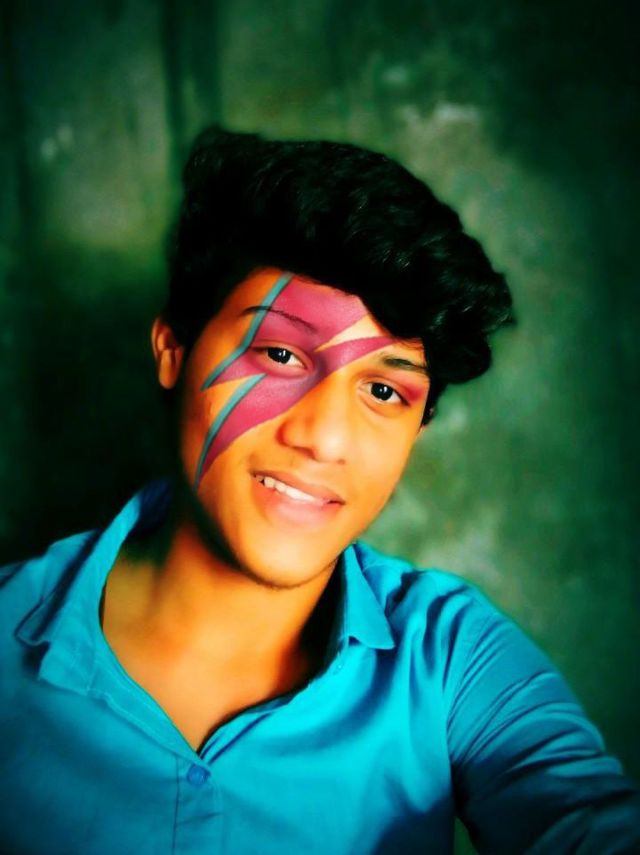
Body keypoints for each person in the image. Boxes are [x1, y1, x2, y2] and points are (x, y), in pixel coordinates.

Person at [1, 127, 638, 855]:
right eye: (279, 353)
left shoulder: (451, 658)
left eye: (384, 391)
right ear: (173, 348)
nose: (326, 438)